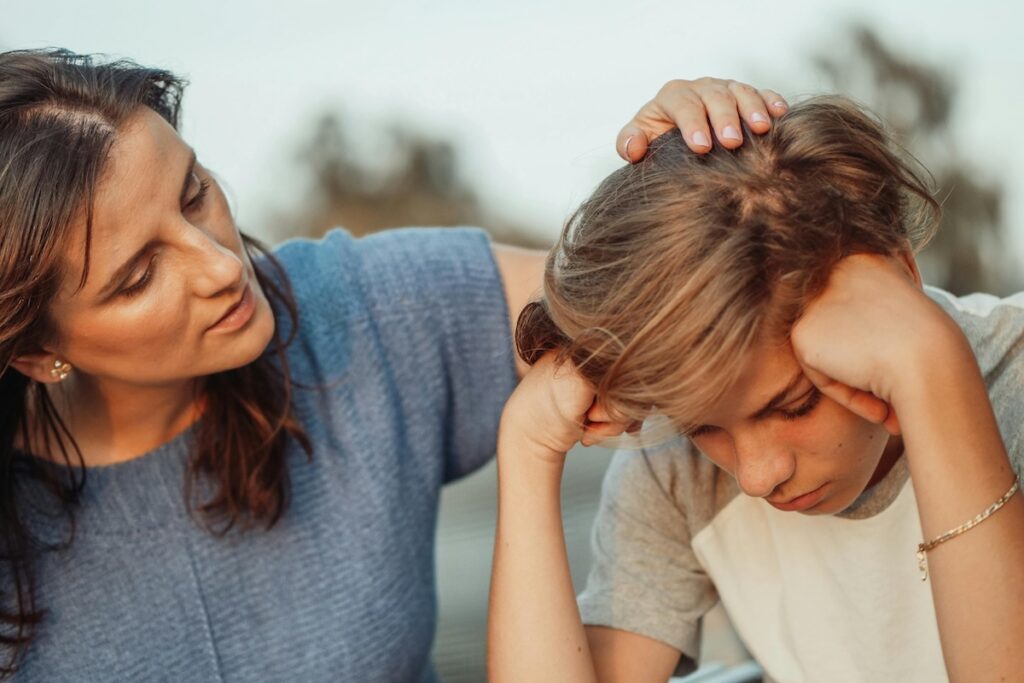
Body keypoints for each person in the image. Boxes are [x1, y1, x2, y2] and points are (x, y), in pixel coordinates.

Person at [0, 48, 787, 680]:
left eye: (195, 191)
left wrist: (698, 179)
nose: (219, 266)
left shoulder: (362, 310)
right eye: (140, 276)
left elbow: (664, 297)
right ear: (39, 352)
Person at [488, 96, 1024, 682]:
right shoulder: (676, 469)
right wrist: (527, 448)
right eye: (703, 426)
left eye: (796, 405)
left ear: (900, 277)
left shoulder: (1013, 382)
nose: (755, 475)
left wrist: (932, 369)